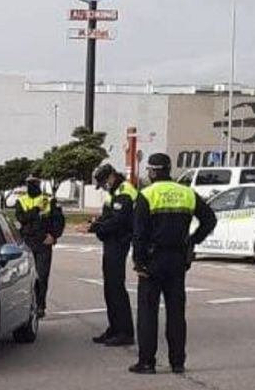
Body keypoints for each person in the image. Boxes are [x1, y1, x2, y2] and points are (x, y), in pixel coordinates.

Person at [129, 153, 217, 375]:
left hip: (152, 260)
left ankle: (147, 362)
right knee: (176, 313)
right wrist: (193, 241)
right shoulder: (187, 193)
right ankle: (177, 362)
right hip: (178, 259)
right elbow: (209, 219)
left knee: (148, 312)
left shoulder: (147, 194)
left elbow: (138, 233)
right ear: (169, 170)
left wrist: (139, 262)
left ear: (152, 171)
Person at [87, 164, 138, 346]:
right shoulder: (114, 192)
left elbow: (118, 221)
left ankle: (125, 331)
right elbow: (108, 216)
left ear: (111, 177)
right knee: (109, 287)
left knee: (116, 287)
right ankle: (114, 327)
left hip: (119, 242)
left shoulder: (125, 192)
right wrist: (97, 222)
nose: (103, 187)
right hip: (111, 242)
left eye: (103, 182)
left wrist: (96, 227)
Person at [15, 174, 65, 318]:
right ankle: (27, 306)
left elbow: (59, 221)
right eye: (29, 183)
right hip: (27, 242)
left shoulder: (49, 200)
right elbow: (22, 218)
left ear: (39, 184)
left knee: (42, 276)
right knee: (26, 277)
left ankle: (40, 306)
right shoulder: (21, 201)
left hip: (43, 243)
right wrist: (36, 209)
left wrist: (54, 236)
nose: (32, 186)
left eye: (35, 183)